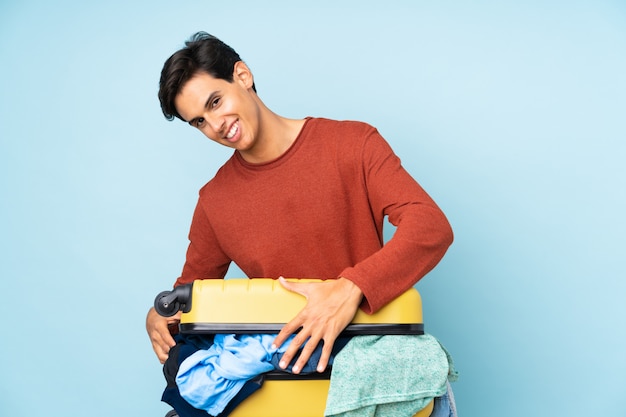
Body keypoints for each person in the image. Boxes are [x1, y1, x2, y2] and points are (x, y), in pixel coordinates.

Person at [146, 32, 455, 416]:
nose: (216, 125)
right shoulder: (215, 201)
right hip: (284, 382)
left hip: (364, 348)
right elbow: (190, 296)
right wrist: (160, 315)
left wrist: (351, 288)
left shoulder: (352, 143)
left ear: (242, 76)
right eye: (199, 122)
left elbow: (430, 226)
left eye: (215, 102)